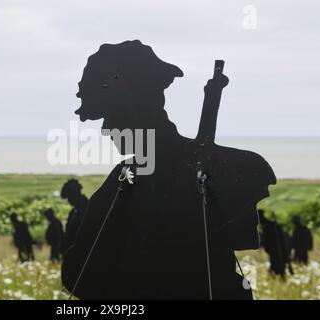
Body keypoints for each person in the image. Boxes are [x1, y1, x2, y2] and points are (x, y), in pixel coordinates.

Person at [62, 40, 276, 299]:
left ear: (136, 111)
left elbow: (80, 276)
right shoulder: (130, 176)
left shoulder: (129, 178)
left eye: (110, 116)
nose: (106, 129)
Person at [259, 210, 293, 278]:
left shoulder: (271, 226)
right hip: (274, 252)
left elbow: (280, 239)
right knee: (276, 269)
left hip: (278, 251)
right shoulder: (268, 226)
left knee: (278, 268)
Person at [60, 179, 88, 256]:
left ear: (75, 194)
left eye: (69, 196)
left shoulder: (86, 208)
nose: (68, 200)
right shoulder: (74, 211)